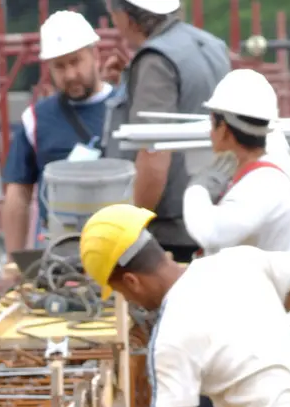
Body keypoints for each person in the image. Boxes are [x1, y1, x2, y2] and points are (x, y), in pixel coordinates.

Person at [79, 204, 290, 406]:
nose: (130, 301)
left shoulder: (171, 338)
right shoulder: (238, 261)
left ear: (132, 282)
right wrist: (272, 310)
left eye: (122, 292)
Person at [100, 0, 231, 262]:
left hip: (173, 232)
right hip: (216, 212)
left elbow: (154, 156)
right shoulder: (212, 46)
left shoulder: (156, 61)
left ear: (126, 17)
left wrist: (127, 232)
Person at [2, 10, 115, 253]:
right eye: (60, 66)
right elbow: (18, 194)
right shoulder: (35, 119)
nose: (70, 74)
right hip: (59, 250)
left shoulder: (125, 108)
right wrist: (15, 261)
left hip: (119, 247)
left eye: (76, 61)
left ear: (94, 54)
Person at [184, 69, 290, 256]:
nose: (210, 134)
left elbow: (211, 233)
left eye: (212, 125)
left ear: (223, 129)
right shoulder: (270, 169)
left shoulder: (263, 183)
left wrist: (197, 188)